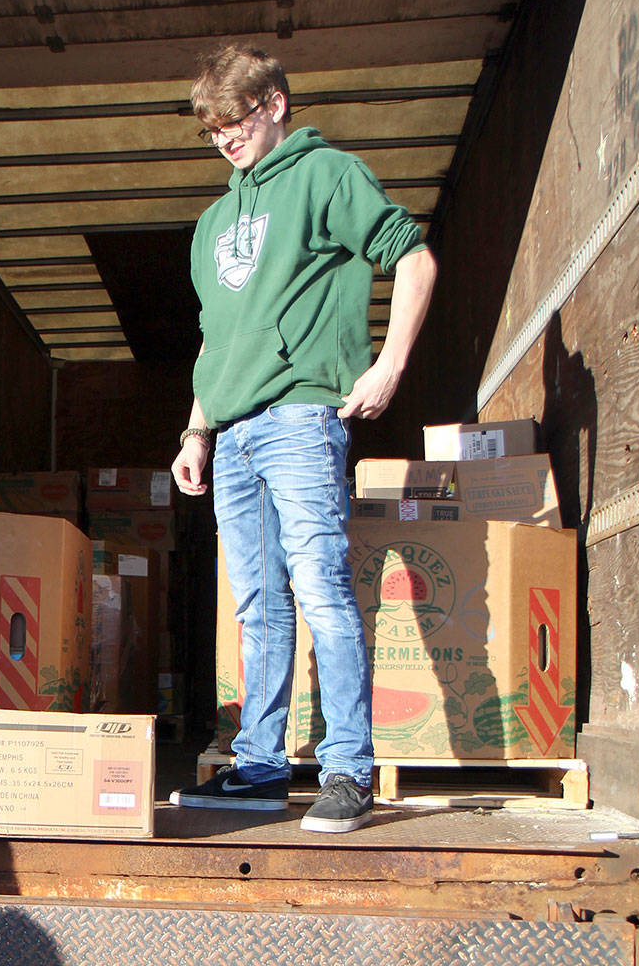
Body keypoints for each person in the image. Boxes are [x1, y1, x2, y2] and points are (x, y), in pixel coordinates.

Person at [168, 44, 437, 832]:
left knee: (319, 587)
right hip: (234, 434)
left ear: (277, 103)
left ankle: (349, 768)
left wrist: (388, 364)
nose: (226, 138)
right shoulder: (212, 223)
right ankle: (258, 764)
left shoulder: (328, 175)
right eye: (213, 128)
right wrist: (195, 429)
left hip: (300, 418)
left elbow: (414, 260)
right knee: (257, 603)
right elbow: (215, 340)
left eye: (237, 120)